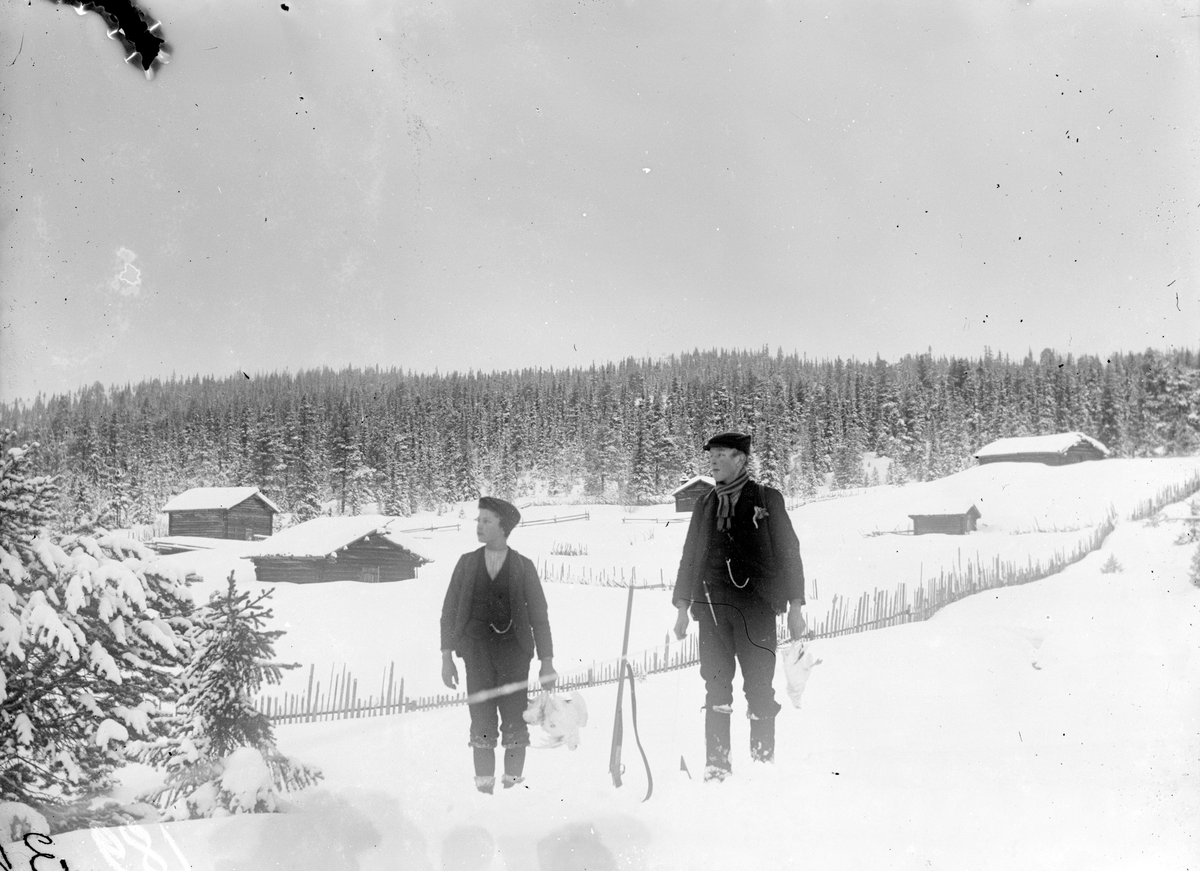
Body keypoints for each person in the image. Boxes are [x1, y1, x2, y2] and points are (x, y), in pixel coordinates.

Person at [671, 432, 807, 782]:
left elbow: (789, 552)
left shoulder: (766, 498)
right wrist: (682, 606)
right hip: (711, 610)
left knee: (759, 687)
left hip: (756, 610)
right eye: (711, 456)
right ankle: (717, 768)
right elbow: (690, 555)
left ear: (741, 460)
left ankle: (762, 767)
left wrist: (795, 606)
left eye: (721, 455)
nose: (713, 462)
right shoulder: (704, 504)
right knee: (715, 687)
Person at [440, 496, 557, 794]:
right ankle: (484, 791)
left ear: (503, 527)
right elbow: (449, 611)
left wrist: (546, 661)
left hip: (514, 657)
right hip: (476, 657)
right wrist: (446, 656)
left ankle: (514, 788)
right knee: (481, 725)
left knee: (516, 726)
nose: (479, 526)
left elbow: (539, 617)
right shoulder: (466, 564)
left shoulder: (523, 566)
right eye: (478, 520)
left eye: (486, 521)